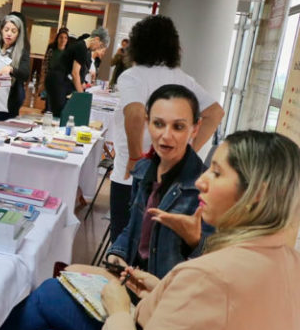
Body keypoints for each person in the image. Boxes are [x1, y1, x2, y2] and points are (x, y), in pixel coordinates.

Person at [0, 129, 300, 330]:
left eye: (217, 172)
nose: (202, 181)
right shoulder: (286, 261)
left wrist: (121, 308)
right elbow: (216, 321)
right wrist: (159, 288)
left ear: (256, 193)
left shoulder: (211, 276)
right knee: (51, 294)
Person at [110, 15, 224, 242]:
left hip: (131, 176)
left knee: (124, 244)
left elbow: (133, 113)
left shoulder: (133, 76)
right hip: (170, 177)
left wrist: (135, 158)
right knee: (155, 245)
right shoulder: (183, 78)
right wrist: (186, 151)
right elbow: (215, 113)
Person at [101, 85, 214, 278]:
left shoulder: (204, 189)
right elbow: (132, 228)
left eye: (178, 127)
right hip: (129, 278)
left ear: (195, 128)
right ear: (147, 122)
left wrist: (195, 241)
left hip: (166, 294)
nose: (166, 136)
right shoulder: (143, 170)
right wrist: (116, 256)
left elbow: (212, 263)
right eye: (158, 124)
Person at [45, 27, 109, 118]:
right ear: (97, 39)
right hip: (56, 81)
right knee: (60, 114)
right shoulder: (82, 48)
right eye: (100, 45)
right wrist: (81, 96)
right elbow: (75, 73)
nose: (97, 48)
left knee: (63, 112)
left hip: (60, 80)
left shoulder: (82, 47)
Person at [42, 27, 69, 96]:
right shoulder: (51, 49)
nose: (63, 40)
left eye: (65, 38)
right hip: (51, 76)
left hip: (62, 78)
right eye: (61, 37)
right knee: (49, 98)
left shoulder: (68, 51)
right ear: (57, 38)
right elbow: (46, 63)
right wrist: (44, 78)